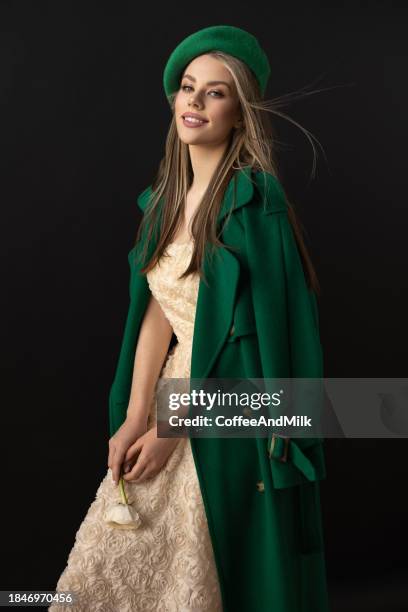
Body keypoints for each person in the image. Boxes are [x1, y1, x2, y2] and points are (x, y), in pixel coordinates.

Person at [50, 25, 329, 612]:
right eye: (187, 87)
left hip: (230, 403)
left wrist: (174, 427)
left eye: (216, 92)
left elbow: (267, 346)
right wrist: (136, 415)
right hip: (169, 391)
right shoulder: (163, 200)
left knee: (200, 570)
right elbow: (156, 309)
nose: (196, 101)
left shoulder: (256, 201)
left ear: (241, 112)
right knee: (110, 566)